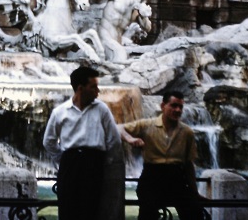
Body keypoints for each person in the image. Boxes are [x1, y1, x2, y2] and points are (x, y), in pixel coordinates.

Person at [43, 65, 120, 220]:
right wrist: (64, 159)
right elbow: (48, 141)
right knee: (68, 209)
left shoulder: (102, 109)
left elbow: (114, 140)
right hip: (70, 163)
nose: (98, 91)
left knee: (91, 210)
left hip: (94, 162)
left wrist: (104, 161)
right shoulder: (61, 111)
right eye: (93, 87)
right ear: (80, 88)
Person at [119, 90, 204, 220]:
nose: (177, 110)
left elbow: (188, 164)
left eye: (180, 107)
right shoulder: (147, 125)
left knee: (195, 212)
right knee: (147, 213)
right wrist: (130, 139)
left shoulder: (187, 132)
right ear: (163, 106)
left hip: (177, 179)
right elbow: (119, 128)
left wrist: (194, 192)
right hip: (152, 178)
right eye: (174, 105)